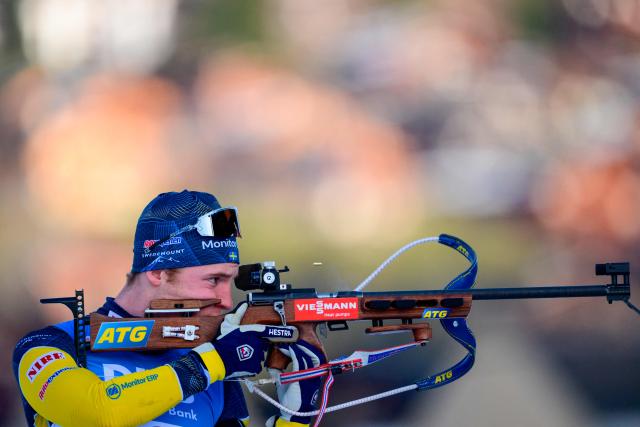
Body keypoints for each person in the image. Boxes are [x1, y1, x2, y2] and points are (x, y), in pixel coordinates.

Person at [13, 190, 326, 427]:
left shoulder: (215, 370)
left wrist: (295, 419)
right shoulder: (51, 344)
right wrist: (207, 365)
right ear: (158, 272)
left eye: (229, 281)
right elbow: (96, 411)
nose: (227, 301)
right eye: (213, 280)